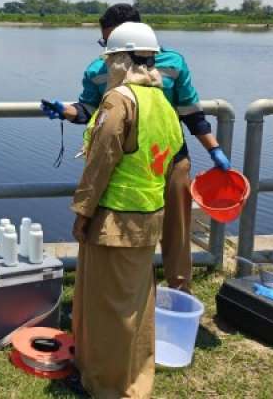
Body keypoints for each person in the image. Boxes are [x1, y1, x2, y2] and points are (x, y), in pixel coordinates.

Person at [43, 3, 230, 292]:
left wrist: (214, 150)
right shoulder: (97, 69)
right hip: (125, 165)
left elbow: (191, 113)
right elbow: (91, 111)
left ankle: (179, 292)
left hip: (168, 158)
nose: (108, 51)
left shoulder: (173, 63)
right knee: (123, 230)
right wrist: (66, 110)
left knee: (176, 229)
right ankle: (131, 291)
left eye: (111, 43)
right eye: (105, 43)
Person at [71, 22, 183, 398]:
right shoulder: (162, 102)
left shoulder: (120, 100)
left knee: (109, 309)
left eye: (110, 61)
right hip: (149, 218)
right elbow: (167, 160)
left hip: (114, 221)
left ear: (120, 60)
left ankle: (109, 386)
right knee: (136, 304)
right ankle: (136, 379)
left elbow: (101, 161)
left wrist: (83, 212)